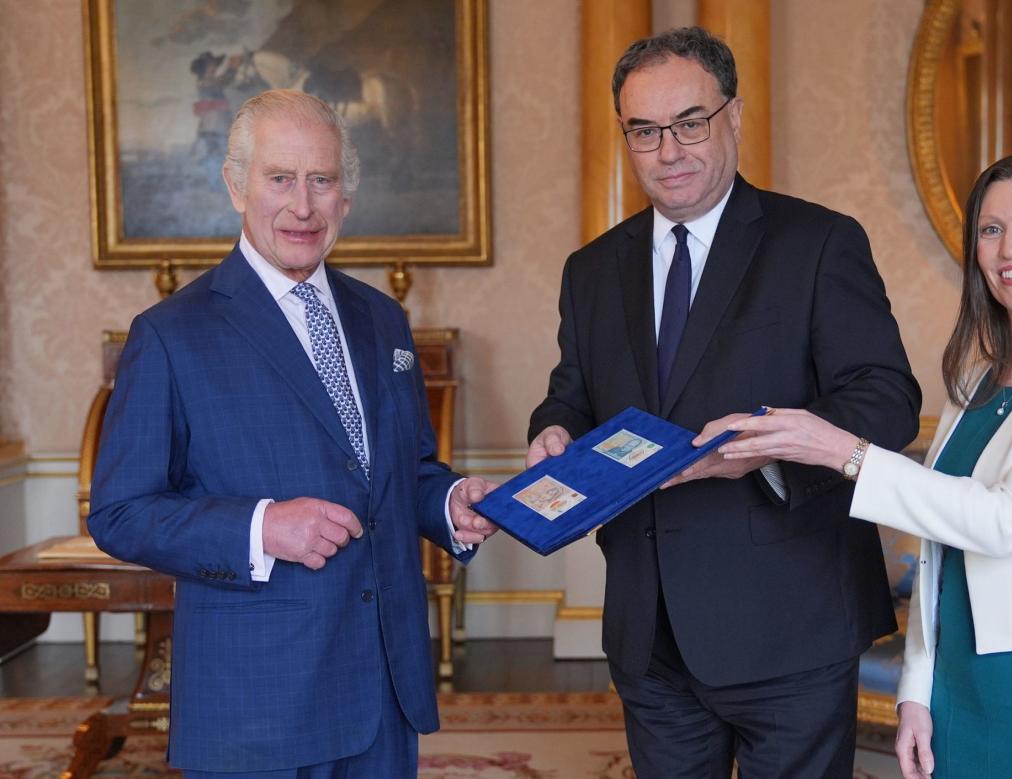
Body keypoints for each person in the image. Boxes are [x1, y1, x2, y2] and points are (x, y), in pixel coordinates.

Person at [526, 26, 921, 777]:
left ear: (734, 116)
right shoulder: (592, 268)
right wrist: (552, 428)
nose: (667, 150)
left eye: (689, 122)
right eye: (645, 130)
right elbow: (575, 389)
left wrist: (768, 447)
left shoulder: (819, 242)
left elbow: (887, 400)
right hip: (651, 629)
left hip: (791, 618)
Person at [88, 89, 499, 777]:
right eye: (280, 178)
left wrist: (449, 502)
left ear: (347, 195)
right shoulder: (170, 335)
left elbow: (406, 469)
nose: (303, 206)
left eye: (323, 180)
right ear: (235, 185)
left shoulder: (383, 320)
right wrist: (262, 527)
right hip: (258, 703)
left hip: (382, 690)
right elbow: (120, 512)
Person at [720, 150, 1012, 778]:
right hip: (960, 692)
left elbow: (1005, 522)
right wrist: (916, 692)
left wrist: (840, 451)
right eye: (992, 229)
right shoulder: (978, 381)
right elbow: (941, 552)